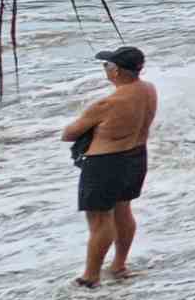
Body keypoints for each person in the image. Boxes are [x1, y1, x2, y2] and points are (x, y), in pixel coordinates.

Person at [60, 45, 157, 287]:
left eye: (107, 65)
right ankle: (119, 266)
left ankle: (90, 277)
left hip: (105, 163)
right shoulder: (149, 90)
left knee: (100, 221)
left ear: (116, 71)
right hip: (136, 156)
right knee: (123, 210)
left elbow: (69, 134)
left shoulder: (108, 103)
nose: (105, 69)